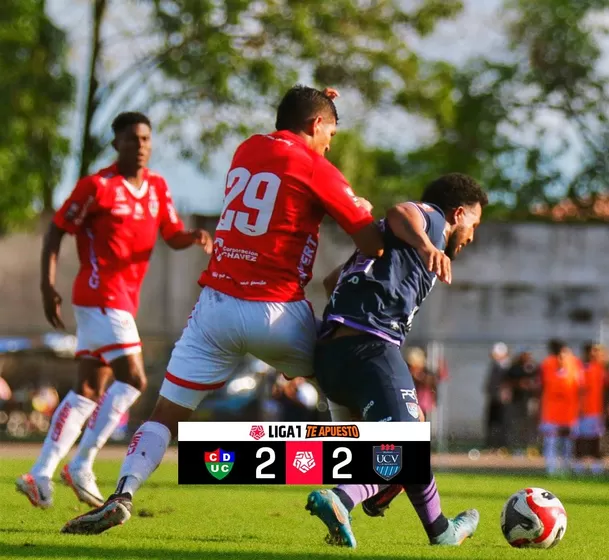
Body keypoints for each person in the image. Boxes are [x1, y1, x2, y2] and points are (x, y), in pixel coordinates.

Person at [60, 84, 384, 535]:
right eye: (332, 129)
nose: (332, 140)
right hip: (277, 311)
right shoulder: (317, 166)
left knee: (165, 417)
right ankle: (347, 496)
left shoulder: (248, 148)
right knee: (340, 393)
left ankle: (123, 492)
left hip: (215, 307)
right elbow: (373, 244)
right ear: (316, 125)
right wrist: (362, 208)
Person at [16, 112, 213, 510]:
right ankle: (83, 462)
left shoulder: (157, 187)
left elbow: (171, 234)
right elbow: (57, 229)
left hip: (120, 300)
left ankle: (40, 472)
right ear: (116, 144)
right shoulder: (97, 187)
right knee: (135, 379)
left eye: (145, 139)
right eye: (131, 139)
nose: (140, 145)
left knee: (89, 388)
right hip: (100, 294)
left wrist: (193, 236)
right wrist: (45, 284)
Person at [305, 173, 488, 548]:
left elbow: (330, 281)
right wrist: (425, 246)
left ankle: (440, 531)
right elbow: (400, 211)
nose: (471, 237)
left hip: (331, 358)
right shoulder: (435, 222)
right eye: (474, 224)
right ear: (458, 213)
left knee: (410, 436)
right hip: (369, 350)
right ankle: (342, 498)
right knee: (404, 445)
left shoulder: (394, 248)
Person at [539, 339, 582, 476]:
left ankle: (566, 467)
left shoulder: (574, 363)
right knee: (551, 440)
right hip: (551, 410)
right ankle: (551, 468)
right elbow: (542, 384)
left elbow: (579, 385)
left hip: (569, 410)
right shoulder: (547, 364)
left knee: (568, 441)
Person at [574, 342, 606, 476]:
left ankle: (596, 466)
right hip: (580, 411)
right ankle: (579, 465)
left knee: (595, 438)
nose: (596, 354)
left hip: (596, 410)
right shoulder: (578, 368)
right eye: (594, 351)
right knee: (580, 438)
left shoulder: (600, 368)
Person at [504, 347, 539, 456]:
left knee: (529, 424)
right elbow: (507, 382)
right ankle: (515, 446)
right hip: (517, 400)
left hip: (529, 400)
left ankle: (530, 446)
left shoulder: (533, 368)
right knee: (516, 424)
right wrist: (519, 384)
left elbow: (538, 382)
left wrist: (531, 386)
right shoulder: (514, 369)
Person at [484, 342, 510, 452]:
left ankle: (501, 446)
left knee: (502, 422)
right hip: (494, 398)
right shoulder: (495, 365)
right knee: (492, 422)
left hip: (502, 400)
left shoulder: (506, 366)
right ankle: (492, 445)